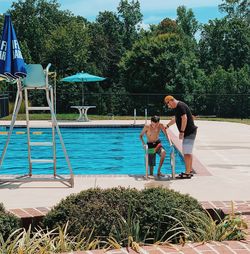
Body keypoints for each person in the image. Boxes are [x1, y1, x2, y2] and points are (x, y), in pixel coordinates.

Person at [164, 95, 197, 178]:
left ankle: (187, 173)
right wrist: (167, 126)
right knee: (188, 152)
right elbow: (175, 119)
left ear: (171, 100)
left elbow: (184, 118)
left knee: (186, 153)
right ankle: (189, 171)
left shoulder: (180, 106)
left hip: (189, 132)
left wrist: (182, 131)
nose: (169, 106)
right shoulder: (177, 107)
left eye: (168, 104)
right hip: (189, 132)